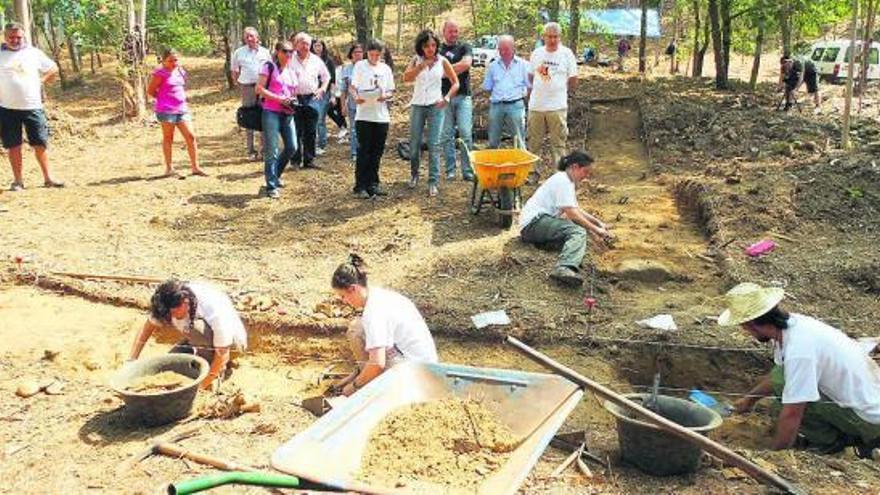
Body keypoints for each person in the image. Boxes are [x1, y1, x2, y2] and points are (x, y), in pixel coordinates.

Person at [720, 283, 880, 457]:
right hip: (869, 397)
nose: (744, 330)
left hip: (869, 419)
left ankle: (838, 442)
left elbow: (793, 412)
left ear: (750, 324)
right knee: (779, 394)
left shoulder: (799, 350)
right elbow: (779, 374)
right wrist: (749, 400)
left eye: (743, 326)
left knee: (785, 404)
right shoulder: (793, 325)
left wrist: (775, 456)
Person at [331, 254, 438, 396]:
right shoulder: (379, 295)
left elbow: (378, 364)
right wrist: (357, 374)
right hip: (425, 363)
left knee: (365, 377)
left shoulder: (374, 313)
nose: (344, 301)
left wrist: (353, 388)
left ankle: (367, 388)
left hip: (416, 376)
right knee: (356, 328)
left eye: (343, 296)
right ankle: (364, 375)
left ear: (353, 289)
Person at [128, 280, 248, 391]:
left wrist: (201, 387)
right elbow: (147, 328)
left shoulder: (212, 308)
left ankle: (213, 372)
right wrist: (131, 360)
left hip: (233, 344)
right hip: (200, 340)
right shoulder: (169, 301)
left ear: (185, 303)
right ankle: (204, 364)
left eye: (174, 313)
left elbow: (222, 353)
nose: (172, 317)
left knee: (197, 329)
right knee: (170, 364)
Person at [519, 151, 614, 287]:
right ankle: (564, 267)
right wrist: (596, 230)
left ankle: (554, 249)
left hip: (536, 224)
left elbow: (576, 209)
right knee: (577, 231)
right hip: (534, 223)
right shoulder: (563, 181)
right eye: (585, 172)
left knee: (576, 231)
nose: (586, 176)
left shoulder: (566, 181)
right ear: (575, 167)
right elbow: (571, 213)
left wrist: (599, 223)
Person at [0, 22, 64, 191]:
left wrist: (42, 81)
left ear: (24, 37)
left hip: (33, 107)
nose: (15, 40)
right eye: (11, 37)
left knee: (40, 143)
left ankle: (48, 178)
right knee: (13, 145)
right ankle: (18, 181)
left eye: (18, 37)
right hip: (7, 108)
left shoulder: (33, 53)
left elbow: (53, 68)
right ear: (5, 38)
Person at [403, 29, 459, 197]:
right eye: (427, 46)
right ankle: (414, 174)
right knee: (414, 144)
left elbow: (455, 83)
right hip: (418, 105)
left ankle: (433, 181)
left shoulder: (443, 61)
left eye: (433, 45)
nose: (430, 49)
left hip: (436, 105)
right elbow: (406, 78)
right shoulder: (416, 60)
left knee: (434, 144)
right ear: (421, 46)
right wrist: (421, 66)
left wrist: (447, 98)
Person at [527, 22, 578, 177]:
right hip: (537, 106)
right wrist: (530, 96)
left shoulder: (567, 54)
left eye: (555, 37)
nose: (552, 40)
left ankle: (560, 175)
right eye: (549, 36)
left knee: (558, 143)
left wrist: (559, 91)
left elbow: (573, 79)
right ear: (544, 37)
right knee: (534, 142)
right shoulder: (537, 54)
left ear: (559, 37)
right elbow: (530, 77)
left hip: (557, 106)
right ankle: (532, 173)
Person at [147, 48, 206, 177]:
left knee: (190, 136)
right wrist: (163, 99)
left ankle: (195, 167)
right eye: (170, 60)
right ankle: (169, 168)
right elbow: (150, 90)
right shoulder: (160, 73)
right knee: (169, 138)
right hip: (167, 110)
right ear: (164, 61)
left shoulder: (180, 70)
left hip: (182, 109)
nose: (174, 63)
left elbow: (180, 86)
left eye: (176, 60)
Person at [351, 39, 395, 199]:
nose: (374, 57)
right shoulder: (360, 66)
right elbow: (353, 87)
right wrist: (356, 97)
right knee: (364, 150)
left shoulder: (385, 69)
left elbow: (391, 90)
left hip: (381, 115)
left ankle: (373, 183)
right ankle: (360, 184)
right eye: (371, 54)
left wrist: (385, 96)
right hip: (364, 115)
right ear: (366, 53)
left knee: (377, 152)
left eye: (377, 55)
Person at [256, 41, 299, 200]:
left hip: (287, 113)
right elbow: (259, 89)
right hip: (271, 112)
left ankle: (276, 175)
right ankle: (271, 185)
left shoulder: (292, 71)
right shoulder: (268, 67)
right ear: (277, 51)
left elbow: (293, 91)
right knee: (271, 150)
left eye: (291, 52)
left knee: (292, 147)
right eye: (285, 51)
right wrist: (279, 99)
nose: (288, 55)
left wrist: (292, 101)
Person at [439, 20, 475, 182]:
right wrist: (453, 69)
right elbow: (432, 70)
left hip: (463, 96)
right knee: (446, 135)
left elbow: (466, 64)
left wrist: (444, 71)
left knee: (466, 134)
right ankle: (450, 170)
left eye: (456, 31)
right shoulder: (437, 49)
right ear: (444, 32)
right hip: (443, 98)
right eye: (451, 31)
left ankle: (467, 170)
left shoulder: (465, 47)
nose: (454, 34)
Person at [289, 32, 330, 170]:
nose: (306, 46)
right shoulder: (290, 58)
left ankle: (309, 160)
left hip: (312, 98)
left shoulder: (316, 60)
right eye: (303, 43)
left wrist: (322, 89)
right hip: (295, 98)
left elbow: (326, 77)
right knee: (296, 129)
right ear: (297, 44)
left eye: (308, 43)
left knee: (311, 130)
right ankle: (295, 160)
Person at [231, 27, 272, 160]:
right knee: (248, 117)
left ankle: (264, 150)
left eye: (251, 36)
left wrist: (268, 87)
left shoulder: (265, 52)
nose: (249, 39)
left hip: (263, 88)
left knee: (263, 116)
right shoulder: (238, 52)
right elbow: (234, 70)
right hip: (247, 87)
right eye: (247, 36)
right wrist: (238, 82)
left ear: (257, 37)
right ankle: (250, 151)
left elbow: (271, 70)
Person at [483, 34, 529, 149]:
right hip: (497, 105)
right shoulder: (492, 66)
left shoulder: (524, 65)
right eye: (500, 49)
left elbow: (530, 86)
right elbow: (488, 88)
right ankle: (494, 164)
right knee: (493, 140)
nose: (503, 52)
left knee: (519, 140)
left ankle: (520, 164)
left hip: (516, 105)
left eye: (506, 49)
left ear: (513, 48)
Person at [310, 38, 340, 155]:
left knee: (320, 119)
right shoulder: (309, 61)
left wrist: (332, 96)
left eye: (320, 45)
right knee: (311, 119)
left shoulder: (328, 61)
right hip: (311, 93)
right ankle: (311, 144)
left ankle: (321, 144)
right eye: (316, 45)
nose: (318, 48)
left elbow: (332, 80)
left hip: (324, 93)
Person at [339, 43, 364, 163]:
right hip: (353, 104)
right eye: (356, 52)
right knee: (354, 129)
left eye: (360, 52)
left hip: (366, 104)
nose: (358, 55)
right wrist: (343, 105)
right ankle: (355, 152)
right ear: (351, 54)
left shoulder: (367, 67)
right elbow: (343, 89)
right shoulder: (347, 69)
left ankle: (365, 150)